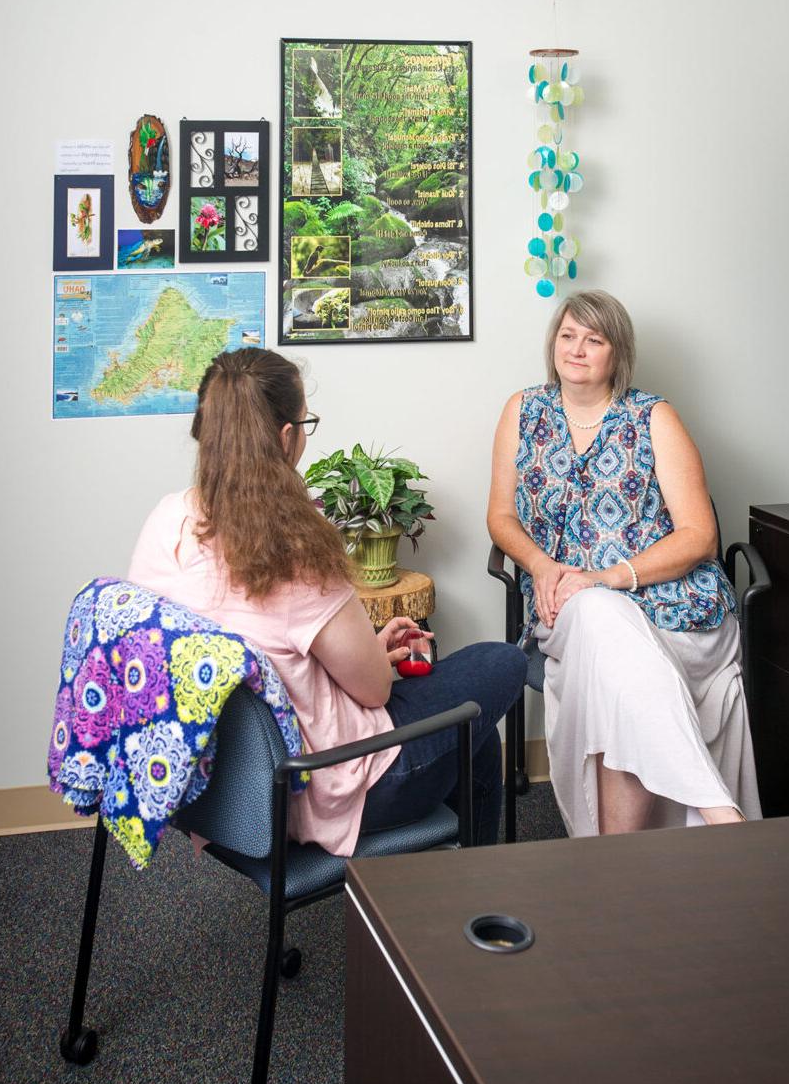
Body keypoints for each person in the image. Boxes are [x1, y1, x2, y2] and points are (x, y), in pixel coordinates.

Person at [129, 348, 526, 854]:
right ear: (285, 436)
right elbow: (375, 692)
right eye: (304, 423)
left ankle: (460, 887)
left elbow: (262, 656)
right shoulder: (294, 545)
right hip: (318, 785)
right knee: (502, 661)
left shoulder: (167, 521)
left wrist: (367, 649)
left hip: (220, 788)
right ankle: (471, 894)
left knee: (475, 737)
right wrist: (377, 663)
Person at [487, 291, 761, 836]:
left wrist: (607, 578)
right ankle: (718, 814)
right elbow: (499, 517)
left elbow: (700, 537)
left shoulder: (654, 416)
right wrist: (542, 566)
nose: (578, 349)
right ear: (553, 343)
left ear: (619, 353)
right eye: (568, 336)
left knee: (608, 650)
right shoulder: (524, 410)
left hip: (675, 607)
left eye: (595, 339)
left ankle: (614, 861)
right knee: (595, 616)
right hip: (565, 602)